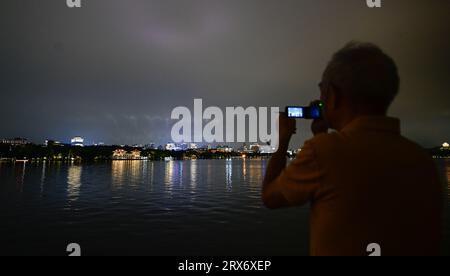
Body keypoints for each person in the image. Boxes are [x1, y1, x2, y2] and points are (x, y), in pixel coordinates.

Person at [262, 41, 442, 256]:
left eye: (322, 92)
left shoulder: (323, 152)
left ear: (334, 95)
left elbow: (270, 197)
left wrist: (283, 139)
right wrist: (321, 135)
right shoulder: (422, 160)